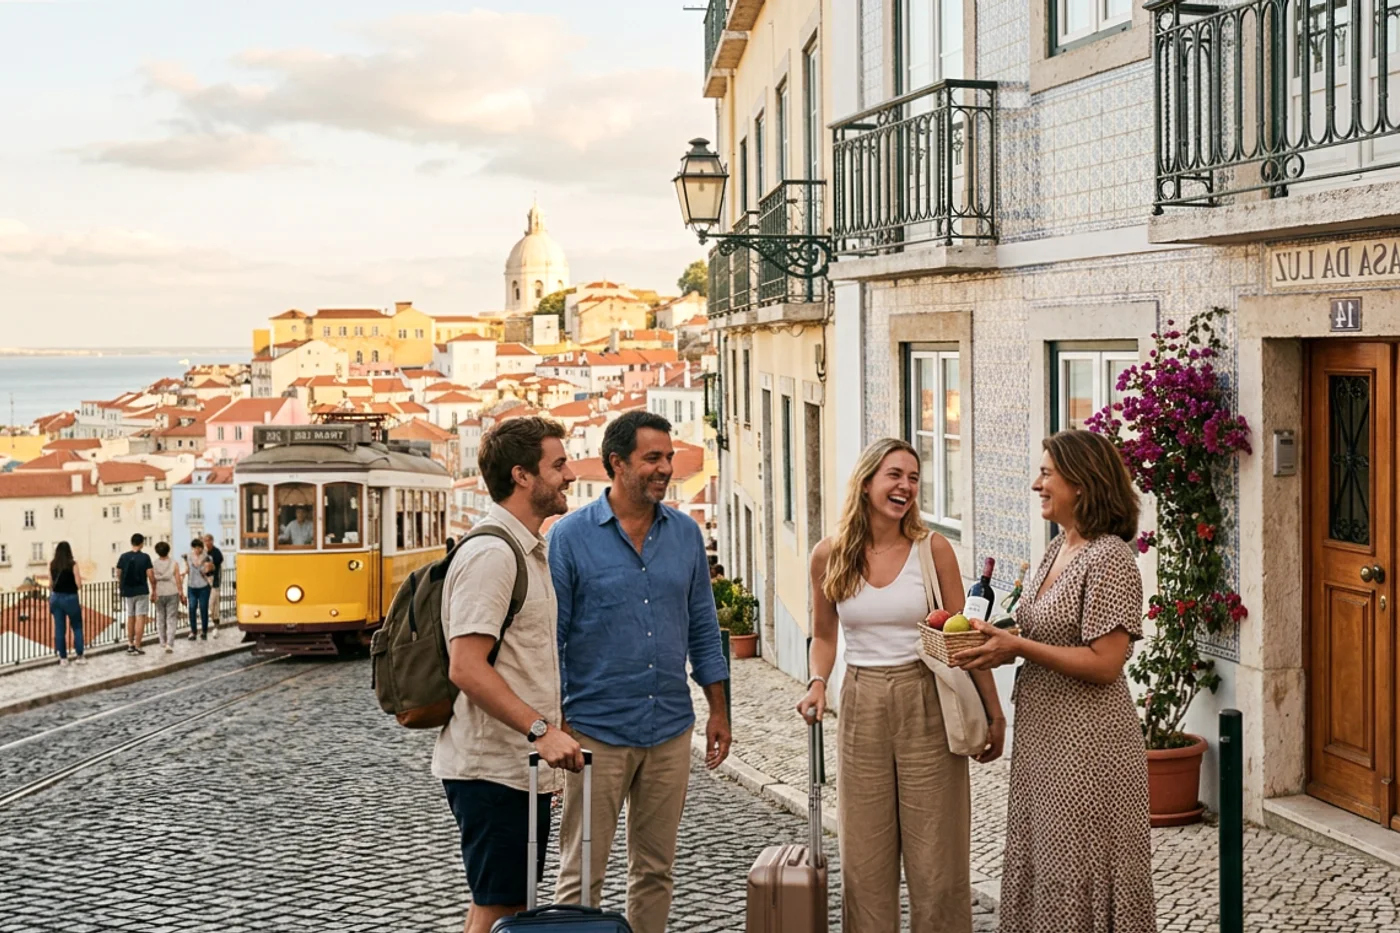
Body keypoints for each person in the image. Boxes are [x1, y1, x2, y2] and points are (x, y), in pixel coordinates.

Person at [796, 437, 1005, 933]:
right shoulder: (829, 556)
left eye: (913, 477)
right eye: (894, 475)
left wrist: (995, 715)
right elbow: (824, 636)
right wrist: (817, 682)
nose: (906, 486)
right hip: (861, 700)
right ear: (867, 481)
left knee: (938, 856)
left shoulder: (933, 551)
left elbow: (965, 639)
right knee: (864, 857)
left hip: (926, 697)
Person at [951, 429, 1156, 933]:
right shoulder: (1057, 548)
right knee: (1046, 861)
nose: (1035, 484)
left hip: (1089, 746)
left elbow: (1107, 662)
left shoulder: (1109, 557)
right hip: (1045, 737)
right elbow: (1044, 633)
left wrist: (1017, 647)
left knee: (1078, 866)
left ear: (1081, 483)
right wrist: (997, 643)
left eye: (1047, 473)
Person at [549, 410, 731, 933]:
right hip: (594, 733)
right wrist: (554, 726)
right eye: (652, 458)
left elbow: (703, 625)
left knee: (655, 871)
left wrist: (719, 710)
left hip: (670, 728)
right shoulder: (570, 537)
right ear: (616, 463)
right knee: (581, 876)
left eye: (669, 457)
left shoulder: (686, 535)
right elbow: (552, 640)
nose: (665, 468)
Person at [435, 416, 584, 933]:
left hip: (514, 768)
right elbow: (466, 666)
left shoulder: (526, 549)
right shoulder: (493, 555)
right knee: (501, 909)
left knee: (506, 907)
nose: (570, 474)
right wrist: (541, 732)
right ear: (523, 476)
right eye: (559, 464)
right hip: (492, 769)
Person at [115, 533, 153, 655]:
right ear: (142, 543)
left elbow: (118, 573)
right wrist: (154, 588)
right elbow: (150, 575)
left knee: (130, 616)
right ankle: (138, 645)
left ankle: (130, 643)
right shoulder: (145, 557)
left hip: (128, 590)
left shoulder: (123, 556)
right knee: (140, 617)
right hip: (141, 590)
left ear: (132, 543)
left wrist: (122, 584)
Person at [49, 542, 85, 666]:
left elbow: (50, 584)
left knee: (59, 629)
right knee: (77, 627)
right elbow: (79, 584)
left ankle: (63, 658)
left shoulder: (52, 564)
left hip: (56, 598)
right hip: (70, 598)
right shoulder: (73, 565)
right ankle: (79, 656)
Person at [151, 542, 184, 653]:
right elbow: (178, 580)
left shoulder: (154, 564)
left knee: (160, 618)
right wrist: (181, 593)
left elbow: (152, 580)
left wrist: (153, 592)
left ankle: (162, 641)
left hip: (159, 593)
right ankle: (169, 643)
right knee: (171, 618)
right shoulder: (174, 563)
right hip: (172, 592)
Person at [186, 539, 214, 641]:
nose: (197, 550)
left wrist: (206, 569)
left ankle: (204, 631)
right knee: (192, 608)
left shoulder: (207, 557)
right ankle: (193, 631)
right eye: (194, 548)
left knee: (203, 609)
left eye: (198, 548)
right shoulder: (188, 557)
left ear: (202, 548)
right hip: (191, 586)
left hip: (203, 587)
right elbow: (187, 568)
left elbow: (210, 573)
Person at [202, 533, 224, 634]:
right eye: (205, 540)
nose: (206, 542)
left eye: (208, 540)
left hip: (214, 581)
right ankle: (209, 625)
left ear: (212, 541)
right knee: (208, 604)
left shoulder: (216, 552)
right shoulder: (203, 552)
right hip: (204, 582)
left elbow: (216, 565)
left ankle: (215, 624)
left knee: (214, 604)